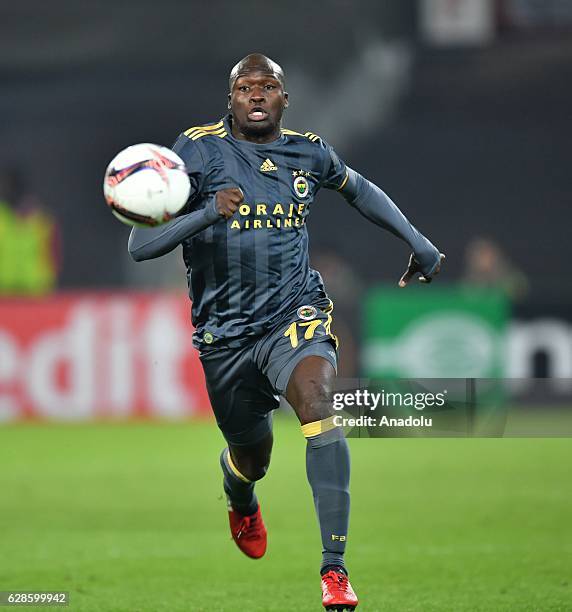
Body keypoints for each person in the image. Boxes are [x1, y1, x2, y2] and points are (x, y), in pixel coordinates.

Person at [128, 53, 444, 611]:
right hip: (225, 336)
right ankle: (239, 492)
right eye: (245, 87)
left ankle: (335, 570)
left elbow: (361, 190)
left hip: (294, 313)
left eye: (267, 86)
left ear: (283, 99)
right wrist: (206, 214)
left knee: (320, 404)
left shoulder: (309, 151)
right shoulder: (196, 150)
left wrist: (414, 239)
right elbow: (141, 246)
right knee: (254, 456)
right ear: (230, 99)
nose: (256, 94)